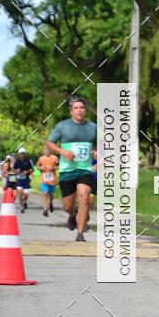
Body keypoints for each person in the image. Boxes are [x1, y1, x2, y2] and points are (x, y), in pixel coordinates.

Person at [45, 96, 97, 242]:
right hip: (67, 170)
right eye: (76, 108)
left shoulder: (93, 127)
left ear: (85, 110)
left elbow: (99, 144)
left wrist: (98, 153)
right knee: (68, 206)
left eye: (82, 108)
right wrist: (63, 152)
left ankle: (80, 234)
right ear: (71, 111)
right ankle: (72, 214)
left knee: (84, 197)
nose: (79, 110)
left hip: (85, 169)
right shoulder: (63, 126)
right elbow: (49, 143)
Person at [37, 146, 59, 217]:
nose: (46, 151)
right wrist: (40, 168)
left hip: (52, 180)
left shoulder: (54, 158)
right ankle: (45, 209)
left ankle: (51, 203)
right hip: (44, 179)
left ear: (50, 150)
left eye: (48, 149)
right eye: (45, 149)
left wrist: (53, 168)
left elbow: (59, 166)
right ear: (43, 150)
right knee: (45, 193)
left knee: (51, 194)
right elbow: (37, 166)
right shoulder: (41, 158)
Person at [14, 147, 34, 212]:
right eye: (21, 153)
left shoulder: (28, 161)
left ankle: (25, 201)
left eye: (23, 153)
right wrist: (16, 171)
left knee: (26, 194)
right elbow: (13, 169)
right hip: (19, 180)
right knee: (19, 193)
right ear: (19, 154)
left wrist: (27, 172)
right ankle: (21, 207)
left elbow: (32, 169)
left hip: (26, 180)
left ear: (25, 154)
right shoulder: (17, 161)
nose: (22, 155)